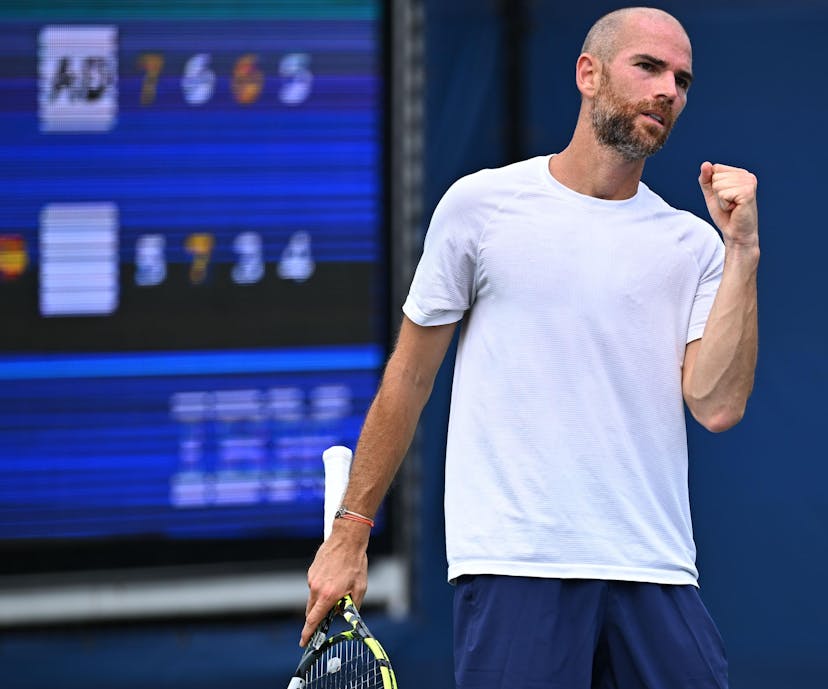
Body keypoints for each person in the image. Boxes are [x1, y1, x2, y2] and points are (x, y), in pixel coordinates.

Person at [301, 6, 759, 688]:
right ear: (588, 73)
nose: (669, 90)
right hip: (517, 566)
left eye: (683, 79)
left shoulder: (696, 245)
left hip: (655, 570)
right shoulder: (479, 206)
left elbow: (716, 405)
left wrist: (743, 250)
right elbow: (409, 377)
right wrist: (350, 533)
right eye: (650, 67)